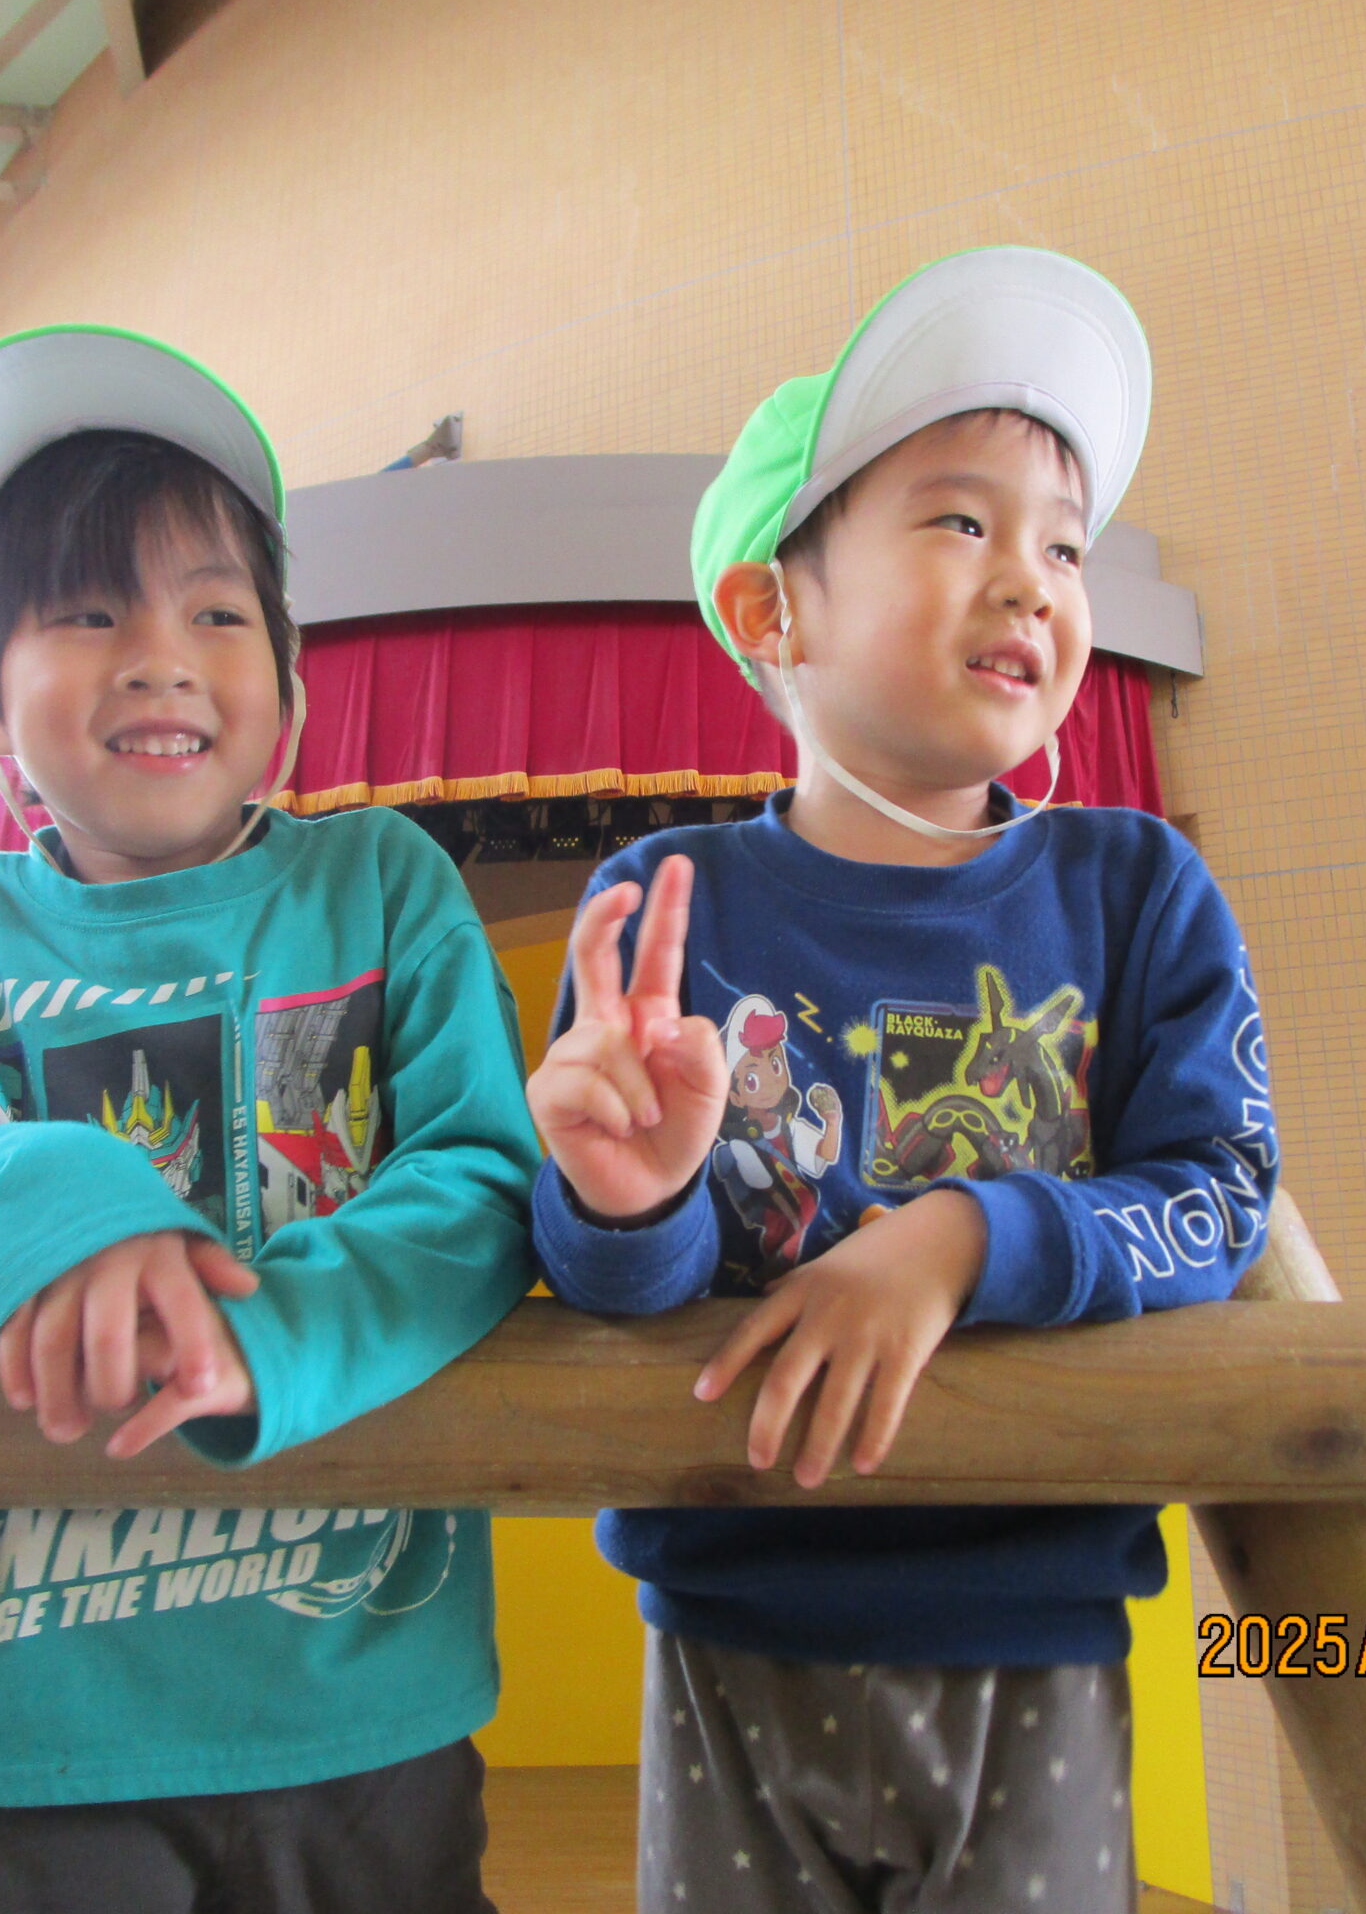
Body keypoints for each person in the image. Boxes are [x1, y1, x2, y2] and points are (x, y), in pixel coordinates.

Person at [526, 248, 1280, 1912]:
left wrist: (958, 1241)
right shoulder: (668, 905)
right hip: (728, 1622)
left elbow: (1222, 1195)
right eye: (960, 521)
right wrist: (624, 1200)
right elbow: (614, 1291)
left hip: (1038, 1623)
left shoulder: (1137, 892)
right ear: (772, 611)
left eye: (1063, 545)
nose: (1033, 582)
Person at [0, 326, 539, 1914]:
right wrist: (62, 1199)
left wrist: (267, 1336)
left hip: (361, 1692)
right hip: (34, 1723)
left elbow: (480, 1179)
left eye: (216, 612)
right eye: (89, 611)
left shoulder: (381, 885)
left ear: (288, 689)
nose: (159, 654)